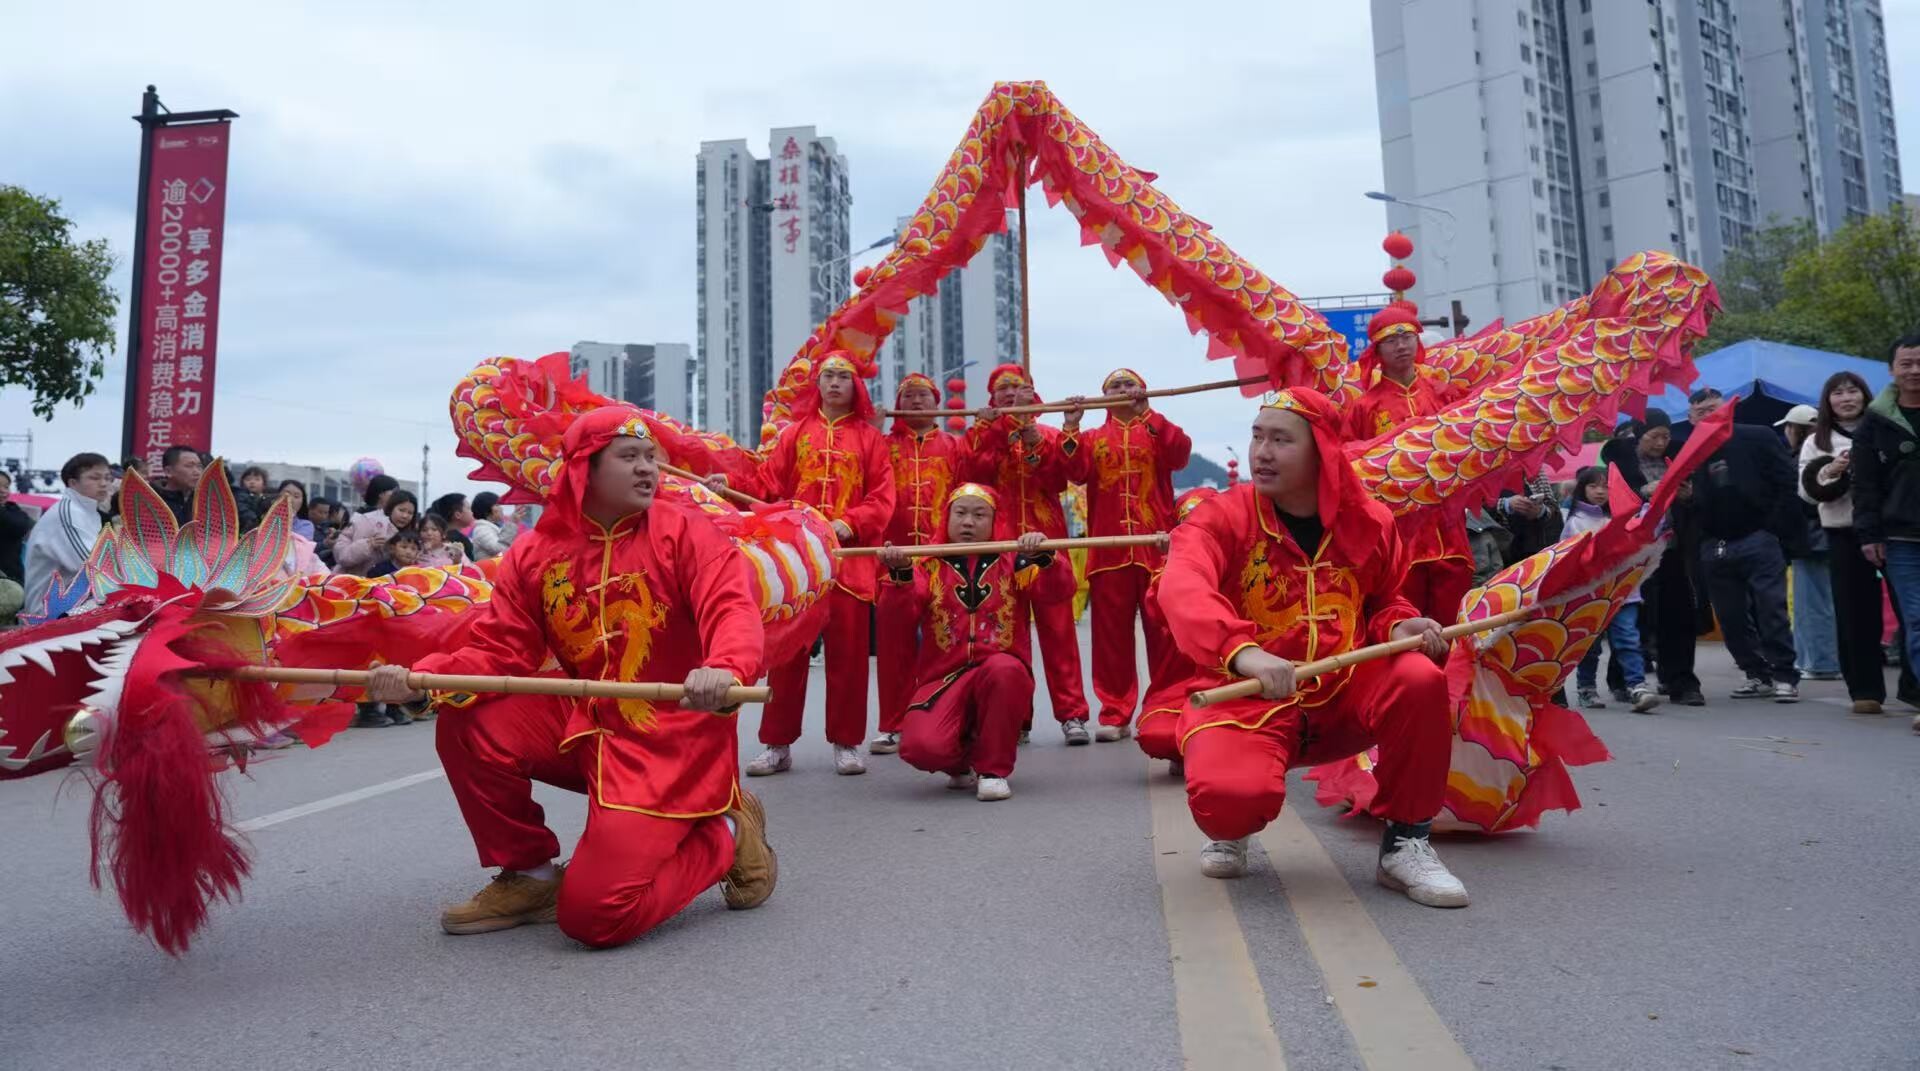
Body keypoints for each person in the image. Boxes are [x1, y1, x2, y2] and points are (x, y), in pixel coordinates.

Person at [364, 406, 774, 946]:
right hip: (586, 721)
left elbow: (732, 610)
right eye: (630, 457)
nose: (648, 469)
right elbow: (499, 649)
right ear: (585, 468)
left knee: (596, 918)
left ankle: (724, 832)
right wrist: (421, 679)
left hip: (671, 736)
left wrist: (724, 668)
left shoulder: (686, 532)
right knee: (468, 719)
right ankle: (530, 877)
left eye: (652, 458)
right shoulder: (536, 552)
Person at [1156, 389, 1467, 906]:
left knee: (1418, 677)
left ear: (1322, 450)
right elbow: (1181, 585)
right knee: (1231, 800)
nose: (1262, 452)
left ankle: (1407, 842)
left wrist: (1399, 627)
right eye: (1257, 436)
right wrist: (1243, 652)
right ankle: (1234, 825)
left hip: (1343, 695)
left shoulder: (1369, 522)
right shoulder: (1221, 517)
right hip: (1246, 699)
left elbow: (1384, 601)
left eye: (1281, 440)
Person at [726, 352, 895, 777]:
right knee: (788, 656)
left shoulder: (871, 440)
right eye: (828, 376)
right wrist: (728, 487)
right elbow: (766, 485)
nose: (835, 382)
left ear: (856, 386)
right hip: (800, 562)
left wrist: (848, 522)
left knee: (849, 658)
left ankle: (846, 741)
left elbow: (882, 499)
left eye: (843, 376)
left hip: (846, 562)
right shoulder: (795, 435)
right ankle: (776, 744)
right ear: (817, 385)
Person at [876, 483, 1074, 801]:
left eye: (979, 514)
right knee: (918, 748)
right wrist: (900, 576)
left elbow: (1058, 592)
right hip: (943, 678)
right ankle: (965, 758)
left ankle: (993, 770)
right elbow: (896, 620)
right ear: (947, 516)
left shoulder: (1014, 561)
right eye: (961, 513)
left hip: (1000, 672)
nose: (968, 522)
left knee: (1005, 671)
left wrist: (1046, 558)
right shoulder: (927, 563)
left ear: (995, 521)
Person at [1059, 368, 1192, 741]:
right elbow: (1073, 470)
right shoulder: (1092, 437)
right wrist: (1071, 425)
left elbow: (1181, 454)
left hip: (1156, 548)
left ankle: (1167, 706)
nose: (1122, 390)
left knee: (1165, 635)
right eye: (1114, 386)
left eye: (1128, 384)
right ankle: (1115, 712)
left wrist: (1149, 414)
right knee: (1110, 638)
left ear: (1143, 392)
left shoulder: (1157, 430)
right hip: (1109, 549)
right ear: (1103, 396)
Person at [962, 363, 1093, 744]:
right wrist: (994, 429)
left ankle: (1073, 716)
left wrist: (1037, 434)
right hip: (1002, 546)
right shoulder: (983, 433)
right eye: (1002, 388)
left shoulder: (1047, 434)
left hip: (1046, 542)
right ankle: (1016, 716)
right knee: (1007, 635)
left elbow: (1063, 478)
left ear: (1031, 392)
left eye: (1017, 387)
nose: (1009, 393)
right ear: (992, 396)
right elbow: (973, 476)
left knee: (1058, 632)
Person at [1341, 305, 1473, 623]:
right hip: (1398, 537)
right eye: (1391, 340)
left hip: (1449, 530)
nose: (1401, 346)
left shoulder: (1445, 396)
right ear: (1377, 350)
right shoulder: (1363, 408)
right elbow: (1348, 466)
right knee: (1405, 625)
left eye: (1407, 337)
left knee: (1453, 626)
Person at [1685, 388, 1801, 702]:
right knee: (1729, 615)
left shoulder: (1757, 436)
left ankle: (1784, 674)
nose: (1708, 415)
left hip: (1758, 536)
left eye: (1714, 409)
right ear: (1691, 418)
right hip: (1714, 543)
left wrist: (1774, 528)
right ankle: (1755, 672)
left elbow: (1787, 481)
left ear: (1728, 409)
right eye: (1701, 412)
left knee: (1770, 608)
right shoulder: (1691, 451)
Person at [871, 372, 963, 756]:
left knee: (946, 644)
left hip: (942, 558)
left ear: (937, 402)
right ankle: (893, 724)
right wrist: (871, 429)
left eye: (924, 395)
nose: (917, 402)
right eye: (908, 396)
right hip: (894, 557)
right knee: (894, 647)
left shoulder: (955, 447)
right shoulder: (882, 445)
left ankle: (945, 717)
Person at [1801, 370, 1896, 714]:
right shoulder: (1817, 442)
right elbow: (1807, 494)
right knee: (1854, 613)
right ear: (1827, 401)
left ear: (1865, 395)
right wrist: (1831, 470)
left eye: (1852, 391)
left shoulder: (1885, 428)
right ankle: (1865, 690)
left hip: (1892, 530)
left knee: (1907, 608)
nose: (1846, 398)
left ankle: (1912, 685)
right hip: (1842, 531)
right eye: (1837, 393)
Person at [1602, 410, 1704, 705]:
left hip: (1672, 550)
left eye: (1666, 436)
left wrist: (1687, 496)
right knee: (1637, 617)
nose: (1661, 442)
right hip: (1636, 553)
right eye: (1654, 436)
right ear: (1638, 434)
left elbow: (1698, 504)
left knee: (1679, 616)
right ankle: (1623, 678)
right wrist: (1642, 492)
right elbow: (1609, 500)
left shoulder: (1678, 460)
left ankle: (1681, 681)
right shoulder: (1620, 462)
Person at [1845, 333, 1920, 734]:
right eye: (1906, 363)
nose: (1914, 371)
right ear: (1892, 369)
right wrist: (1869, 535)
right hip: (1902, 537)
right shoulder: (1875, 423)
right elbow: (1865, 487)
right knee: (1918, 619)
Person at [1563, 467, 1660, 713]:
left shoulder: (1622, 517)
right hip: (1589, 595)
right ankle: (1586, 687)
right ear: (1582, 489)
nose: (1600, 491)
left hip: (1624, 592)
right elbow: (1571, 558)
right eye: (1593, 486)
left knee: (1628, 639)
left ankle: (1637, 686)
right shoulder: (1575, 522)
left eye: (1605, 486)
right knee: (1590, 644)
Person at [1774, 406, 1841, 681]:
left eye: (1788, 428)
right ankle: (1814, 659)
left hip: (1811, 539)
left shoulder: (1800, 460)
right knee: (1820, 603)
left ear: (1795, 429)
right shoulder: (1827, 452)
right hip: (1826, 538)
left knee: (1812, 605)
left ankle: (1820, 662)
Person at [22, 453, 111, 615]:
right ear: (73, 483)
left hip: (75, 604)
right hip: (48, 614)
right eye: (95, 478)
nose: (104, 483)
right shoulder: (69, 513)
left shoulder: (88, 512)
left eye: (107, 477)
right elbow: (95, 567)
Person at [332, 475, 400, 576]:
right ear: (381, 494)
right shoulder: (357, 518)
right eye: (394, 492)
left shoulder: (394, 521)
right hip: (350, 582)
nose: (397, 497)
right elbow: (342, 555)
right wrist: (368, 544)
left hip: (379, 583)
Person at [0, 470, 34, 584]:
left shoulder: (12, 509)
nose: (3, 491)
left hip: (11, 580)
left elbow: (24, 525)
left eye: (6, 486)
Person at [155, 445, 203, 524]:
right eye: (189, 466)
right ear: (168, 471)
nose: (197, 472)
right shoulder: (153, 503)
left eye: (199, 466)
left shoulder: (203, 502)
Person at [430, 493, 478, 560]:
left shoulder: (438, 537)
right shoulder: (460, 540)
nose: (472, 512)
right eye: (469, 508)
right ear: (458, 515)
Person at [469, 491, 509, 561]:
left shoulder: (492, 528)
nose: (501, 508)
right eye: (497, 505)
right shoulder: (482, 530)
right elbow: (499, 548)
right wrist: (512, 524)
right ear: (486, 510)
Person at [235, 466, 275, 532]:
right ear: (242, 483)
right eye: (248, 479)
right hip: (246, 530)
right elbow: (243, 510)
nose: (252, 482)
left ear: (264, 483)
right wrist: (254, 520)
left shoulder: (268, 498)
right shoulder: (241, 496)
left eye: (257, 479)